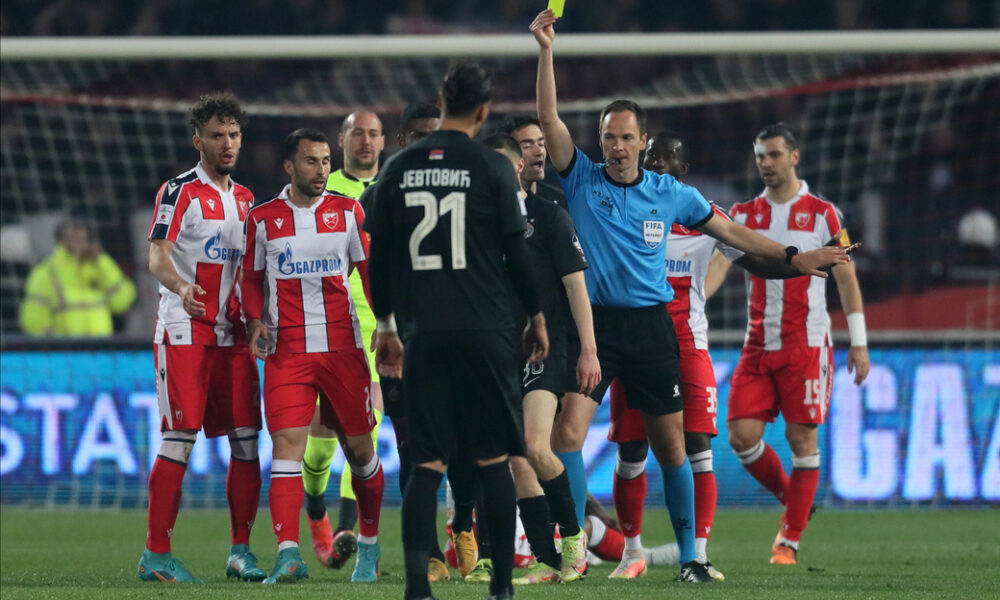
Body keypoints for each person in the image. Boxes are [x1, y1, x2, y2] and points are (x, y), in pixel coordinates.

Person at [530, 9, 850, 584]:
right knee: (567, 436)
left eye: (627, 137)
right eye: (609, 136)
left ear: (643, 140)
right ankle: (576, 548)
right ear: (599, 140)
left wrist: (795, 258)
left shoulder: (670, 193)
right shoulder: (580, 177)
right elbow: (549, 117)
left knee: (671, 445)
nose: (618, 146)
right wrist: (547, 50)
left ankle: (691, 558)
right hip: (595, 329)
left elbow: (735, 237)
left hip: (653, 328)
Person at [607, 132, 848, 579]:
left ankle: (697, 554)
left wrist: (796, 261)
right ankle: (632, 553)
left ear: (683, 172)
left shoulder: (704, 219)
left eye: (667, 162)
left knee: (699, 448)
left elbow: (753, 257)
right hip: (635, 345)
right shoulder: (624, 212)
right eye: (652, 159)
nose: (657, 168)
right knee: (632, 449)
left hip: (688, 346)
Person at [365, 62, 549, 600]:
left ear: (441, 99)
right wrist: (536, 317)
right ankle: (502, 589)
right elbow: (517, 254)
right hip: (486, 329)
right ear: (486, 111)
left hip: (425, 332)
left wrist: (387, 325)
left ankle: (419, 587)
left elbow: (380, 259)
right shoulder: (493, 166)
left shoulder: (397, 168)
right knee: (494, 457)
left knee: (425, 463)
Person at [241, 128, 384, 583]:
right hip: (289, 353)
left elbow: (367, 273)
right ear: (289, 167)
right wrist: (253, 320)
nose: (321, 170)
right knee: (287, 449)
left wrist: (387, 323)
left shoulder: (348, 212)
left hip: (344, 350)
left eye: (326, 161)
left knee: (361, 452)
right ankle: (288, 553)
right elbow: (250, 280)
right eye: (311, 162)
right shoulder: (262, 219)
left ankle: (368, 545)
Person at [724, 123, 870, 565]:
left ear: (794, 157)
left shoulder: (826, 213)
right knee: (741, 436)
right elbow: (719, 261)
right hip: (757, 343)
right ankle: (793, 499)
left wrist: (859, 343)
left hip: (806, 345)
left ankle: (788, 540)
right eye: (759, 157)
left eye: (773, 155)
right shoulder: (743, 213)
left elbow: (846, 277)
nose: (766, 163)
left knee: (802, 439)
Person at [138, 92, 265, 583]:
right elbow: (157, 257)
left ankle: (240, 551)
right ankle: (155, 555)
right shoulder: (179, 191)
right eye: (217, 135)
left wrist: (256, 318)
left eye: (233, 134)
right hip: (184, 329)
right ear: (199, 140)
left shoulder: (248, 200)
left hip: (232, 336)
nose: (227, 143)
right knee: (180, 438)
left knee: (247, 441)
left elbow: (251, 272)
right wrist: (181, 286)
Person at [483, 133, 596, 585]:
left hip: (545, 346)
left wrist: (588, 349)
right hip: (496, 348)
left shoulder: (549, 216)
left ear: (513, 170)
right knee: (517, 460)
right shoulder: (475, 225)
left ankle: (574, 541)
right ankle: (551, 562)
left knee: (535, 445)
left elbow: (575, 287)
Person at [370, 101, 454, 583]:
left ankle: (467, 536)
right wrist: (386, 327)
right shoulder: (380, 197)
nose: (430, 145)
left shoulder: (464, 191)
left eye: (436, 135)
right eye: (420, 135)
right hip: (401, 339)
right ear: (404, 140)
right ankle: (428, 552)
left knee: (462, 445)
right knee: (411, 445)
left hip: (454, 336)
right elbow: (369, 270)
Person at [302, 110, 386, 570]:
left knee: (364, 431)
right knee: (320, 442)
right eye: (358, 133)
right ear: (342, 139)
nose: (367, 142)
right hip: (325, 323)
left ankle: (347, 528)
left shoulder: (392, 189)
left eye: (374, 133)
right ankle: (315, 511)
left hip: (376, 330)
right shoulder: (322, 186)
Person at [20, 218, 136, 336]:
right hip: (65, 350)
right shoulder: (46, 272)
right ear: (61, 239)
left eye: (82, 237)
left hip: (101, 349)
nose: (79, 242)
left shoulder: (100, 266)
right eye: (73, 237)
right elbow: (34, 320)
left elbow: (123, 301)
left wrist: (102, 260)